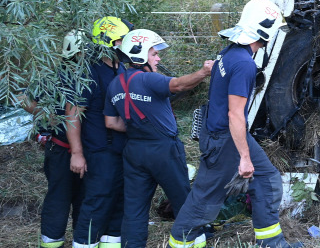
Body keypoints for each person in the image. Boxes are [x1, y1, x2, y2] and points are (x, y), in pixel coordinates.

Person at [169, 0, 302, 248]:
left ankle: (271, 242)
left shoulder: (229, 52)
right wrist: (244, 157)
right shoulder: (243, 64)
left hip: (223, 134)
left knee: (267, 179)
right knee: (205, 200)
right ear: (266, 31)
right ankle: (179, 243)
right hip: (225, 139)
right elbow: (235, 114)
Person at [103, 29, 214, 248]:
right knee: (183, 200)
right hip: (164, 150)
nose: (158, 58)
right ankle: (191, 243)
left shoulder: (114, 84)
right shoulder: (148, 79)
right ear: (140, 55)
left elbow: (111, 122)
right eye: (154, 53)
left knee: (134, 209)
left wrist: (139, 128)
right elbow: (180, 85)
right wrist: (203, 72)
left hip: (134, 151)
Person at [68, 17, 132, 248]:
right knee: (97, 202)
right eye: (122, 39)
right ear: (110, 42)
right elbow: (73, 112)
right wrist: (77, 153)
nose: (127, 43)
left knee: (119, 202)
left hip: (121, 149)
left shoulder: (120, 67)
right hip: (99, 150)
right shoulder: (90, 72)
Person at [22, 30, 85, 248]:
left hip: (82, 150)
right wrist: (48, 116)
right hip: (62, 149)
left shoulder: (89, 74)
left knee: (80, 198)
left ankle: (79, 240)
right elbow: (26, 99)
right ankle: (53, 242)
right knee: (60, 198)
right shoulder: (52, 75)